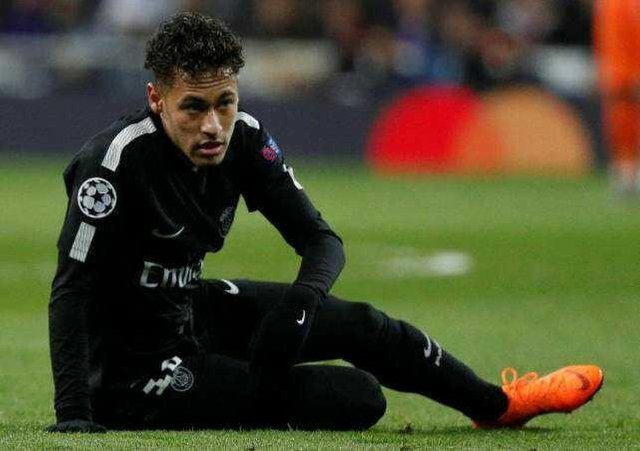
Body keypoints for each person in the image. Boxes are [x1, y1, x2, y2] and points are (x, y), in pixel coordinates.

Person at [47, 12, 603, 433]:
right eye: (194, 106)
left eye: (226, 102)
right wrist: (75, 414)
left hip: (191, 311)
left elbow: (320, 240)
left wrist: (301, 303)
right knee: (357, 397)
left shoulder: (245, 140)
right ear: (157, 100)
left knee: (363, 323)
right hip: (131, 371)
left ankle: (498, 407)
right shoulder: (113, 165)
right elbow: (72, 290)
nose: (213, 124)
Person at [594, 0, 640, 195]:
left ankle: (627, 174)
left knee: (624, 123)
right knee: (621, 124)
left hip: (621, 71)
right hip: (617, 72)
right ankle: (625, 174)